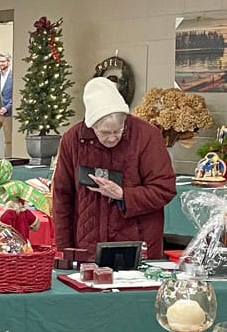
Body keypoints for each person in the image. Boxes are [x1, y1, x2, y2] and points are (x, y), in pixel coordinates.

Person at [53, 77, 176, 261]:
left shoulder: (147, 136)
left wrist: (123, 195)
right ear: (91, 125)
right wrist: (65, 251)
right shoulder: (72, 139)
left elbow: (165, 189)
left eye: (118, 131)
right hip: (87, 249)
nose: (112, 138)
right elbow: (62, 197)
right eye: (104, 132)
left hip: (137, 247)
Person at [0, 52, 14, 157]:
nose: (0, 63)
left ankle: (8, 161)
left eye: (3, 61)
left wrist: (6, 108)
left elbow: (15, 96)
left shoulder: (14, 76)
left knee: (8, 141)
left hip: (8, 113)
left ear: (8, 62)